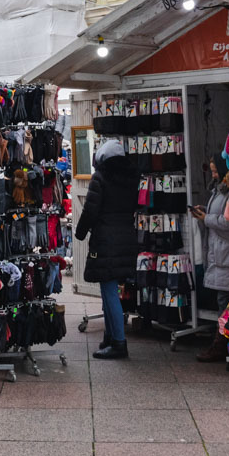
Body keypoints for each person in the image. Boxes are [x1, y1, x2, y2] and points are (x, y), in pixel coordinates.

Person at [75, 138, 140, 360]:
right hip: (126, 237)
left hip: (105, 240)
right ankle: (110, 337)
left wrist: (80, 233)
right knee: (109, 289)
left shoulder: (100, 178)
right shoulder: (132, 179)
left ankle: (119, 342)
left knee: (109, 290)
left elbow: (90, 210)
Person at [189, 152, 229, 363]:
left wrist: (207, 218)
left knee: (226, 302)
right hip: (221, 254)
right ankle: (224, 343)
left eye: (215, 170)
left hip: (228, 255)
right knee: (225, 301)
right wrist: (205, 212)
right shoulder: (220, 191)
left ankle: (221, 345)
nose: (213, 174)